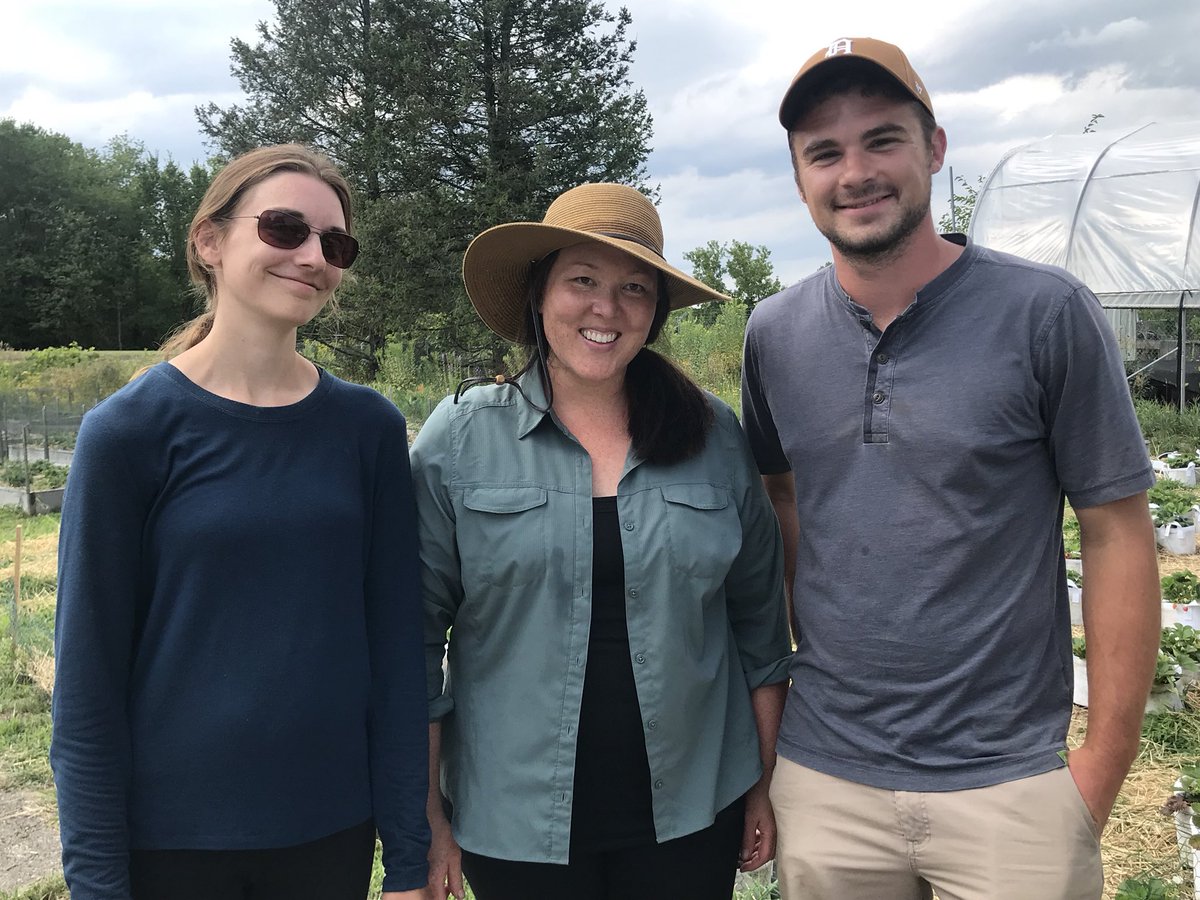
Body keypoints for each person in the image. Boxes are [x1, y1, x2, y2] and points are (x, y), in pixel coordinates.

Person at [741, 37, 1162, 900]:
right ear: (797, 177)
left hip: (1011, 780)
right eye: (824, 151)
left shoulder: (1045, 314)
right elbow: (779, 495)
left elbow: (1117, 532)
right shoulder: (773, 336)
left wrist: (1101, 765)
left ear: (935, 149)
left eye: (882, 140)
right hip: (828, 778)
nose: (854, 171)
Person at [50, 144, 430, 900]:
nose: (313, 256)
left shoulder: (368, 429)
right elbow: (87, 687)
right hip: (173, 844)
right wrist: (97, 883)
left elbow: (397, 656)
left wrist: (409, 858)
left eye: (335, 242)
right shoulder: (128, 433)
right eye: (284, 228)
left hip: (330, 834)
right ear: (210, 241)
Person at [410, 182, 792, 900]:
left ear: (655, 310)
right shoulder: (459, 440)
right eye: (581, 280)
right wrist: (426, 817)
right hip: (514, 819)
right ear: (540, 293)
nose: (606, 309)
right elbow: (414, 643)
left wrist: (762, 786)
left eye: (634, 288)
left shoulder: (712, 437)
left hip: (692, 811)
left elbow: (760, 631)